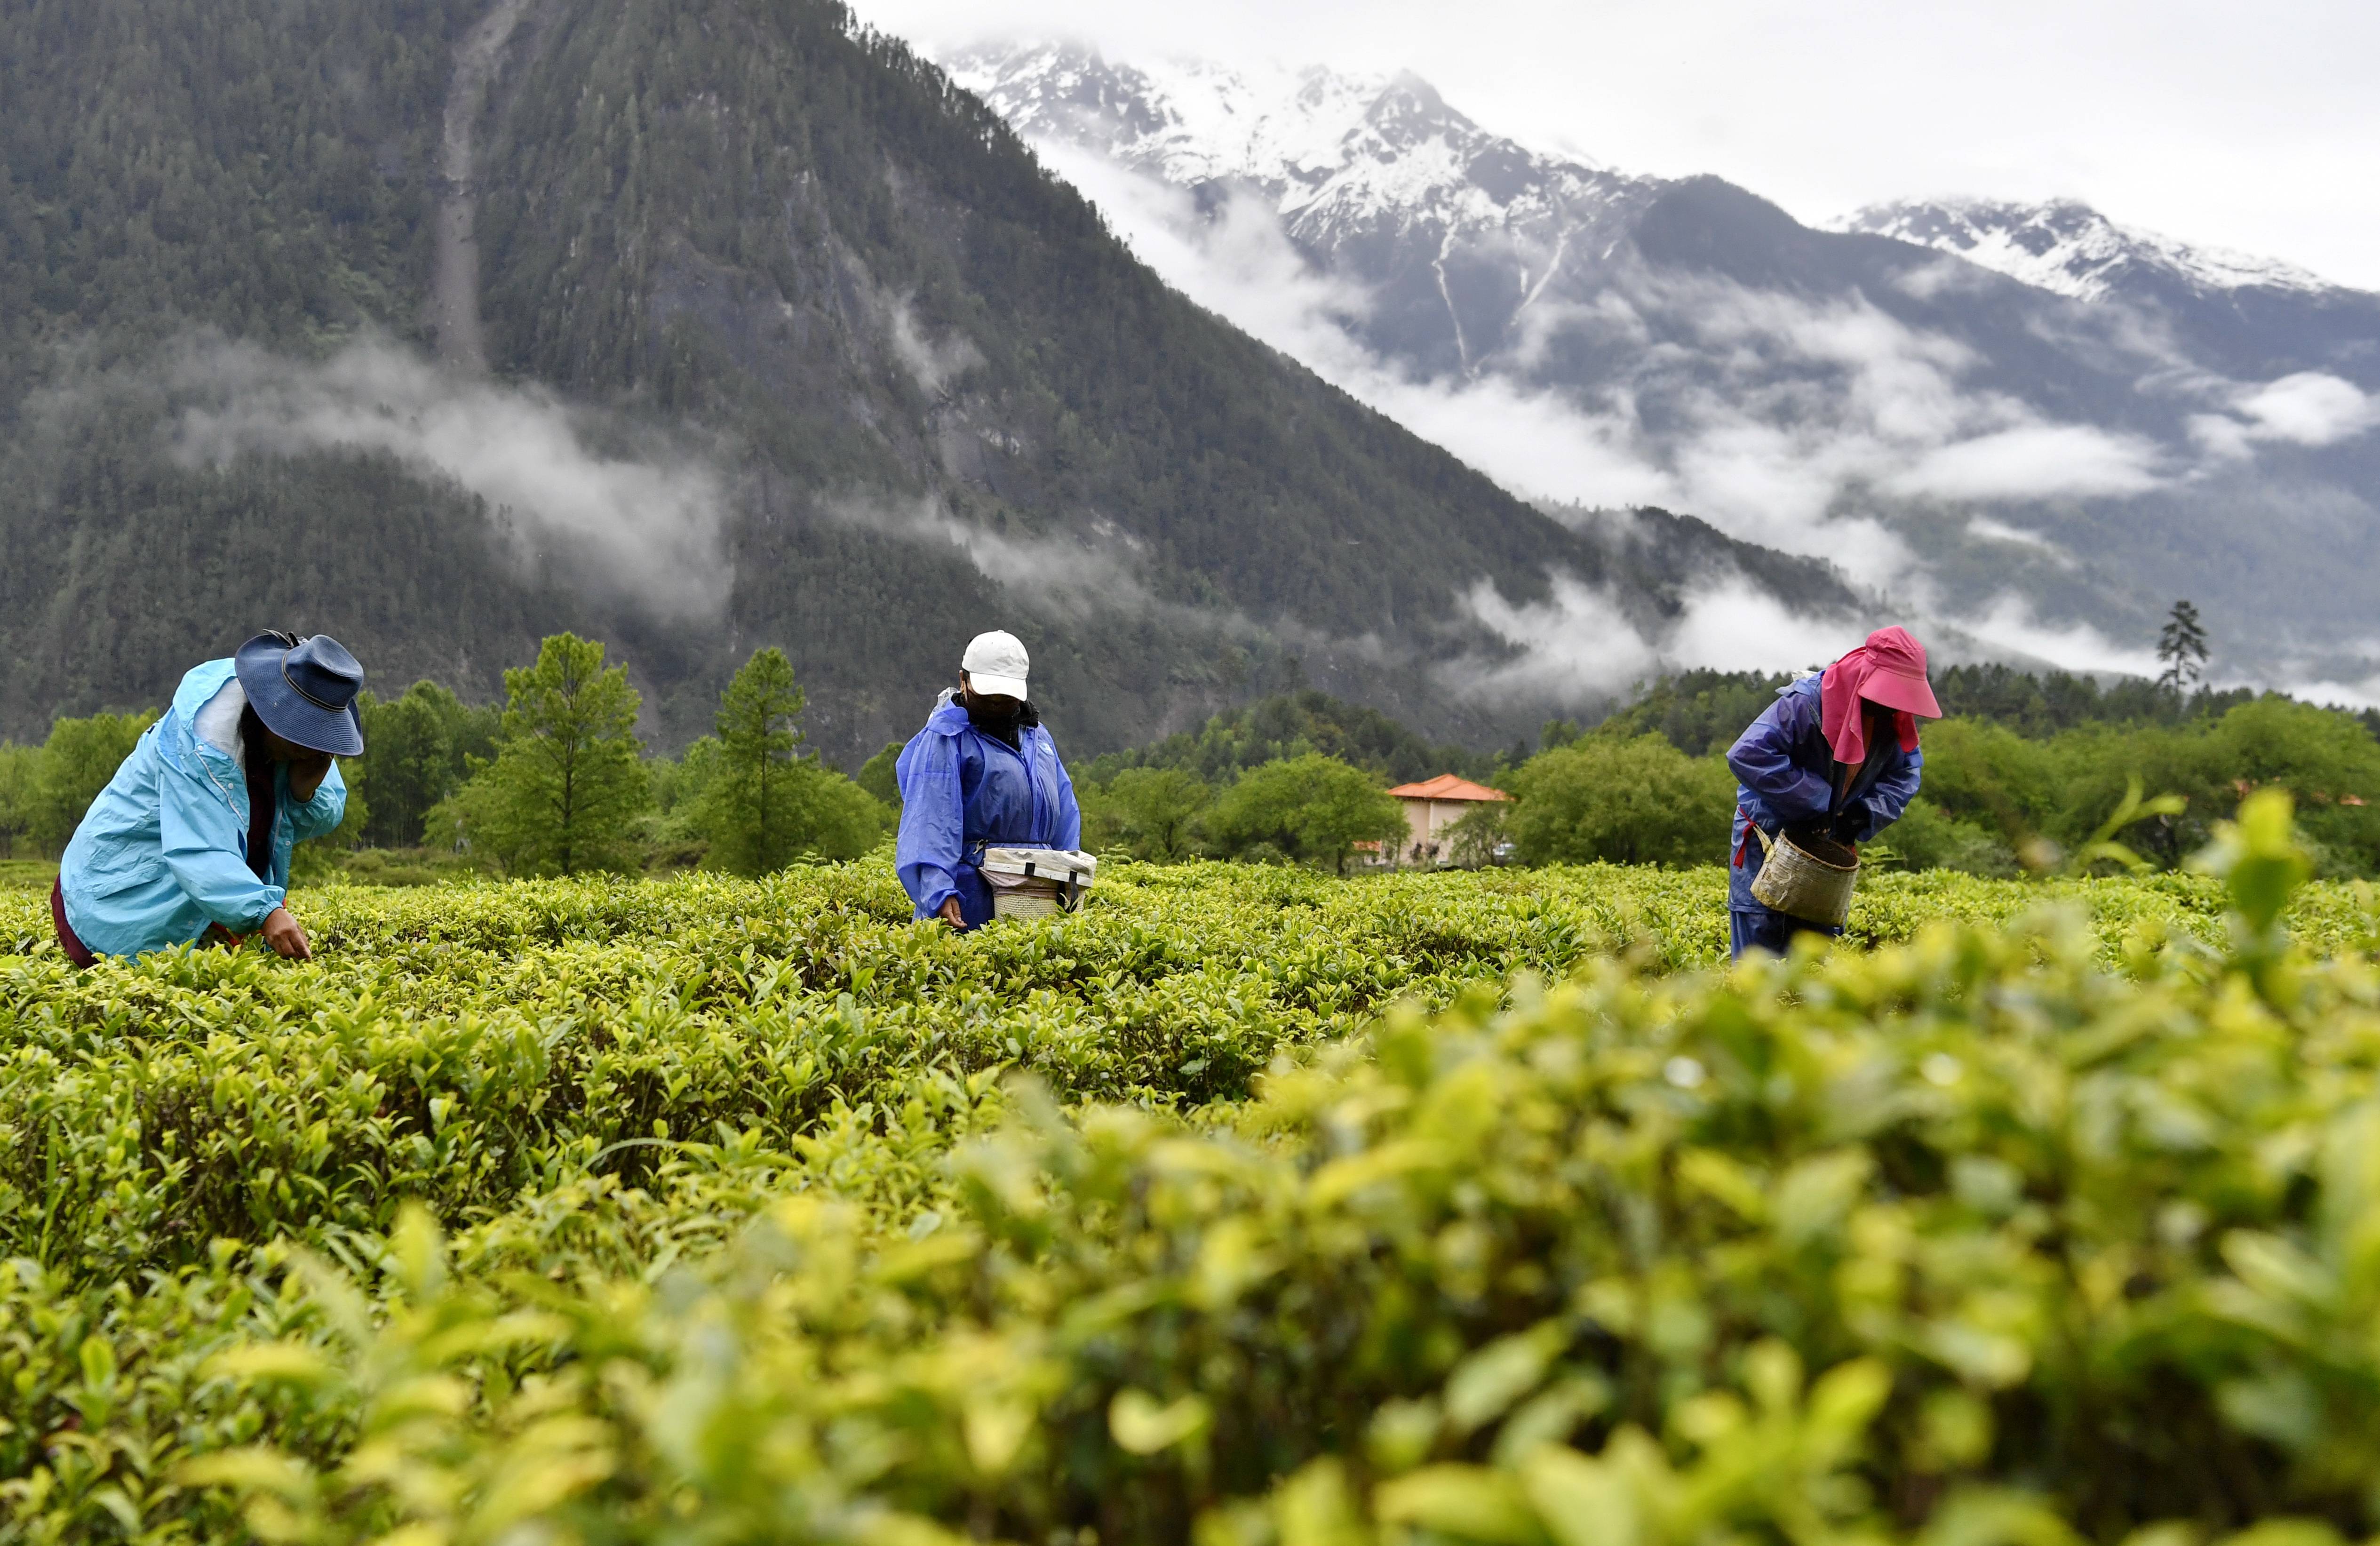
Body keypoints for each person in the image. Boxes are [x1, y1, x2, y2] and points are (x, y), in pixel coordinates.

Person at [51, 632, 363, 965]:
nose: (309, 748)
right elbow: (198, 848)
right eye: (300, 732)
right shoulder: (199, 741)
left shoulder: (297, 749)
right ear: (270, 706)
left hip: (196, 899)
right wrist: (265, 912)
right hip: (121, 896)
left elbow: (302, 822)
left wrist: (304, 792)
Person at [1725, 626, 1940, 959]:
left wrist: (1864, 814)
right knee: (1760, 940)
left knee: (1813, 948)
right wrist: (1820, 801)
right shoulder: (1807, 702)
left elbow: (1905, 774)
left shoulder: (1892, 720)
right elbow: (1748, 755)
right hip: (1768, 839)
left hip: (1830, 847)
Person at [894, 630, 1081, 929]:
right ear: (963, 680)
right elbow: (930, 818)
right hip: (969, 892)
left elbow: (1064, 808)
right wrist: (939, 890)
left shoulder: (1038, 737)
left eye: (1004, 696)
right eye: (987, 693)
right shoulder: (946, 738)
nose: (995, 701)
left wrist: (1069, 873)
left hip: (1035, 891)